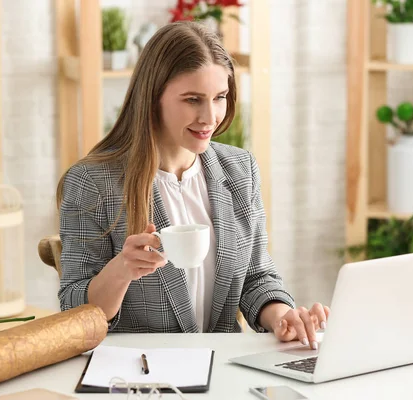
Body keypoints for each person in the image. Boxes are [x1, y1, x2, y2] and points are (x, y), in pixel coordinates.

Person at [57, 21, 330, 349]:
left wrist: (282, 316)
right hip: (140, 376)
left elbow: (257, 278)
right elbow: (73, 309)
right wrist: (121, 271)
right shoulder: (93, 184)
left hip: (224, 373)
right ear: (153, 97)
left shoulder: (240, 170)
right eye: (192, 100)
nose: (210, 116)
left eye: (220, 97)